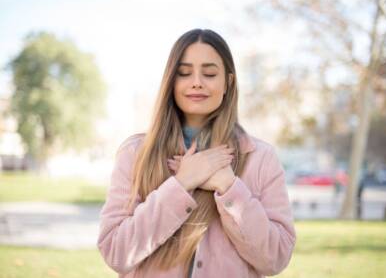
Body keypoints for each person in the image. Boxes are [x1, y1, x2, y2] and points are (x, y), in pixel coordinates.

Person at [97, 28, 296, 278]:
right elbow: (116, 252)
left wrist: (228, 186)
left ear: (228, 83)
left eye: (210, 73)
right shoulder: (135, 154)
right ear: (171, 81)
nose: (197, 82)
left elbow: (275, 259)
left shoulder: (261, 158)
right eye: (184, 73)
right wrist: (181, 184)